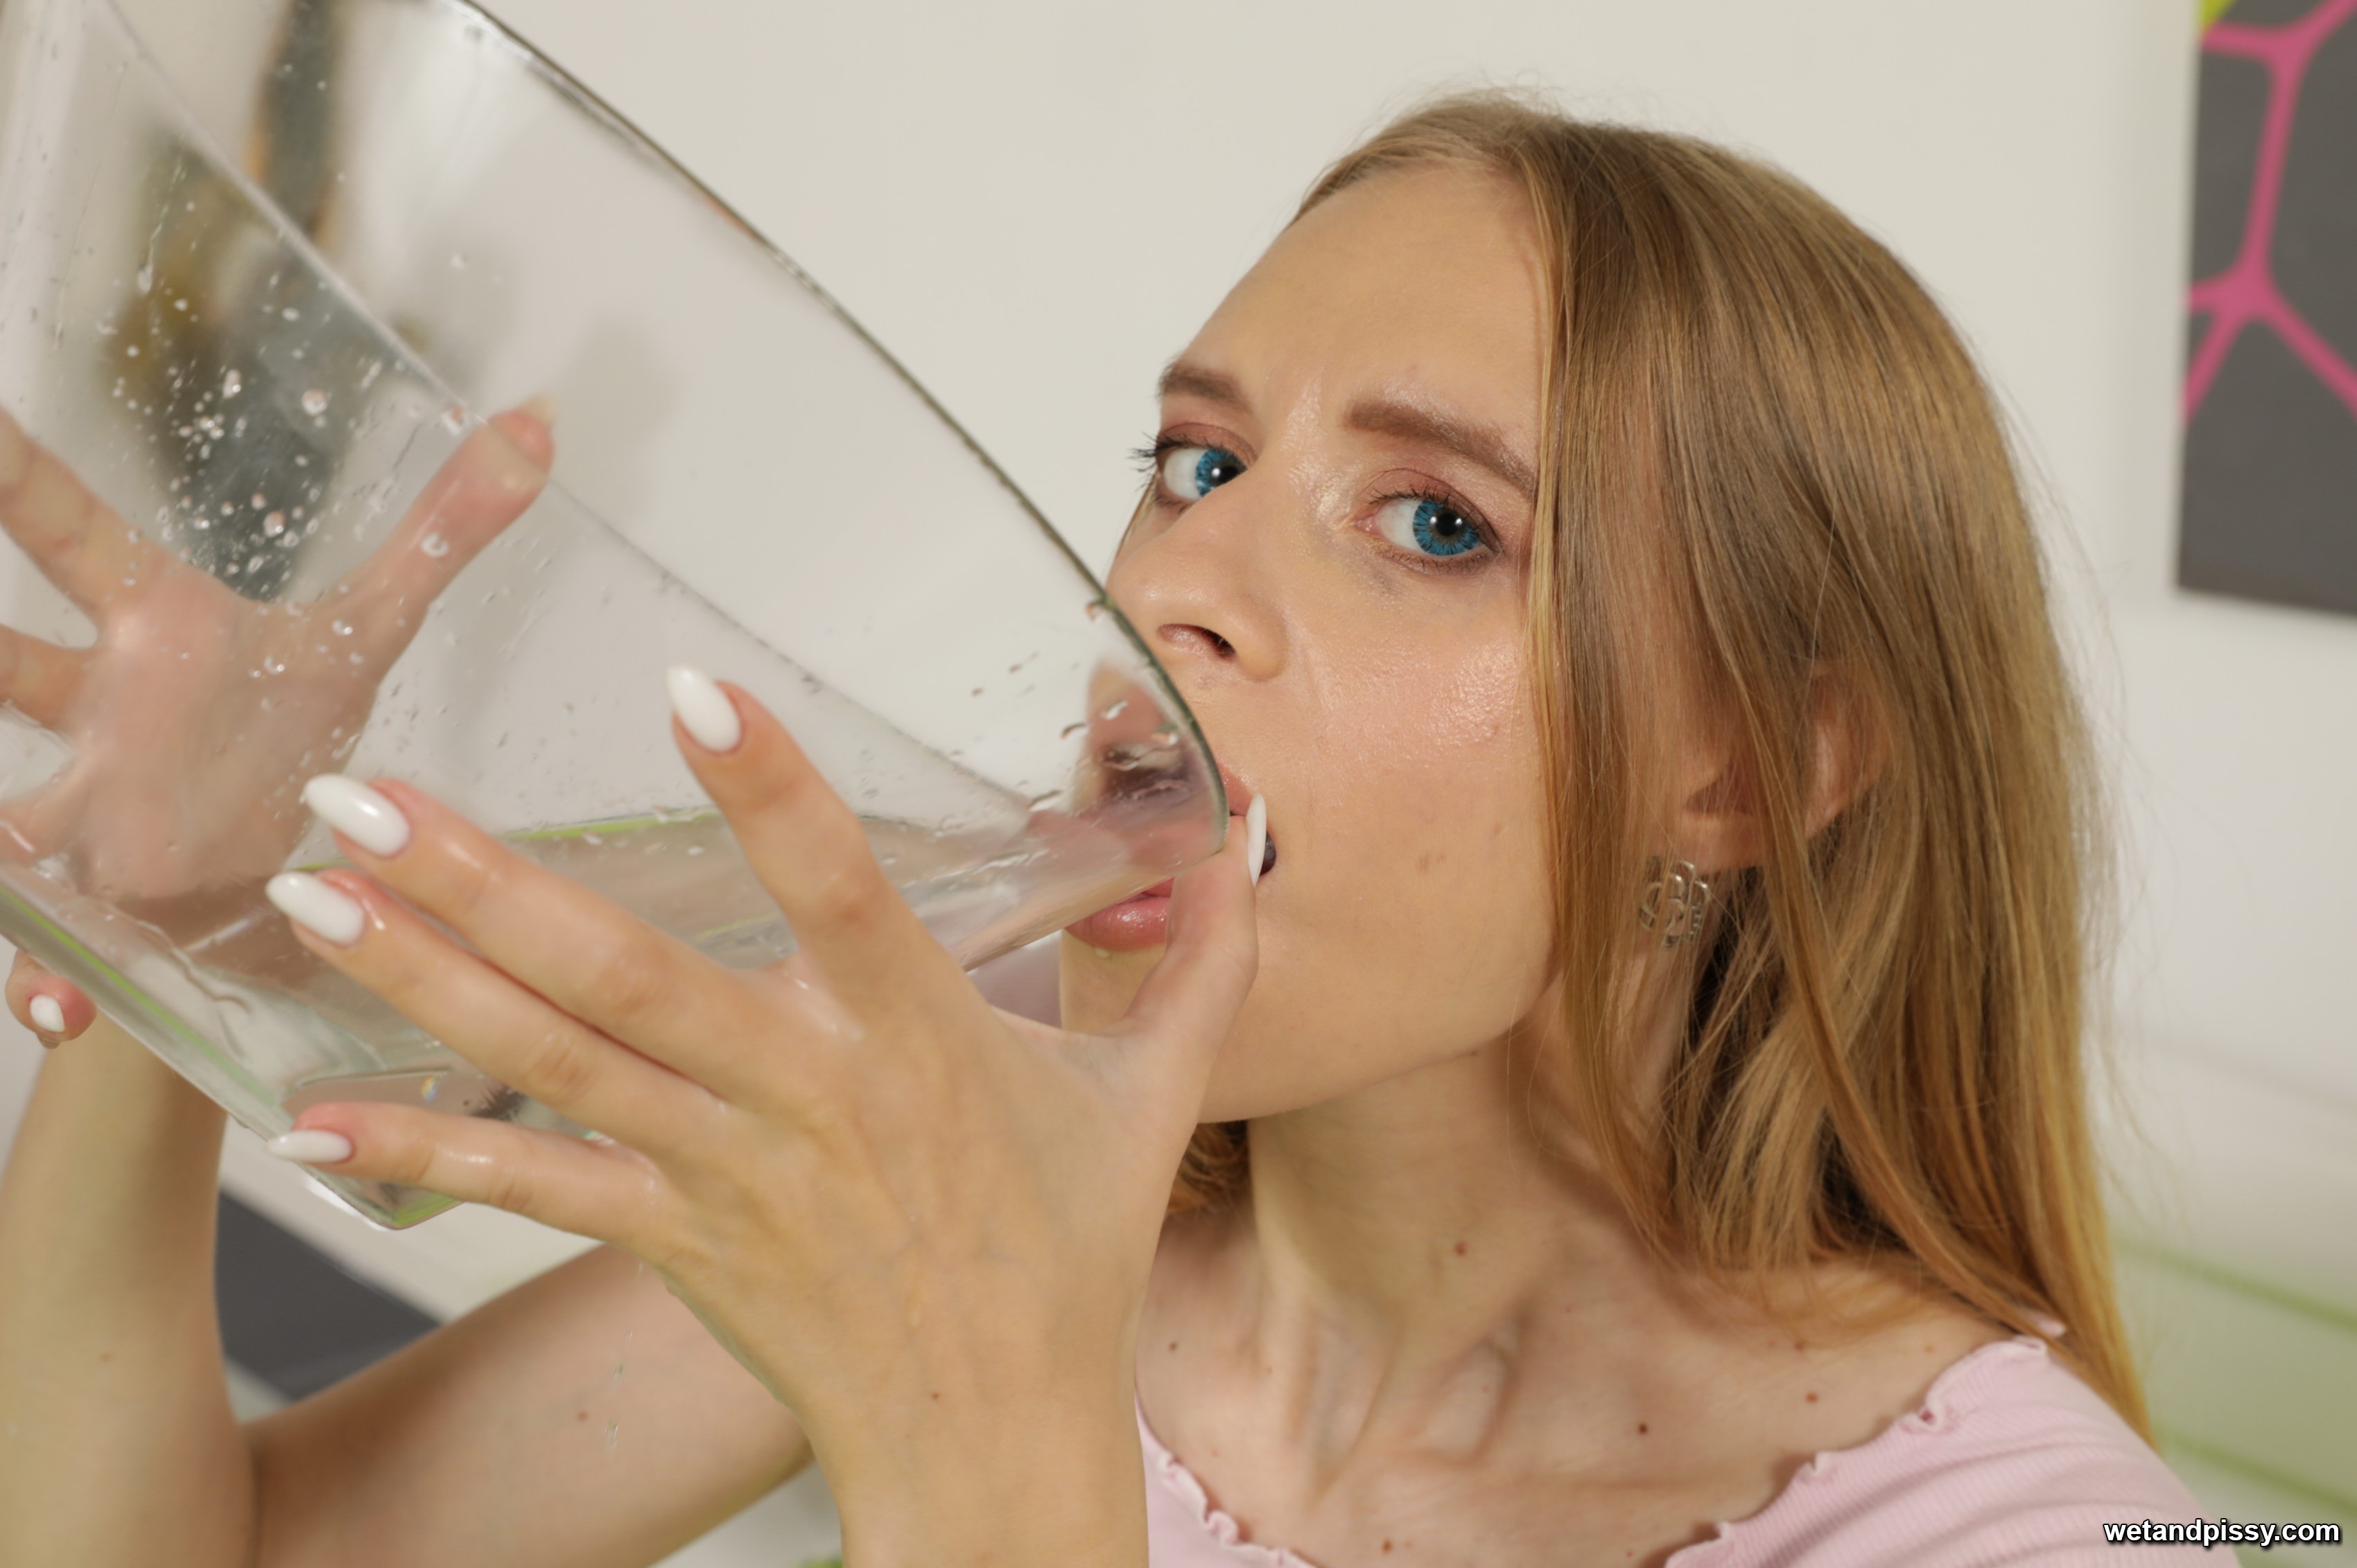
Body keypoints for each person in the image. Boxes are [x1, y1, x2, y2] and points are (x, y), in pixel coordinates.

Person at [0, 94, 2207, 1566]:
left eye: (1434, 523)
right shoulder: (1037, 1157)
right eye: (1196, 462)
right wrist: (158, 939)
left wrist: (975, 1400)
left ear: (1751, 772)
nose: (1168, 592)